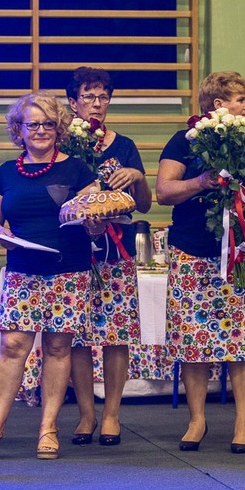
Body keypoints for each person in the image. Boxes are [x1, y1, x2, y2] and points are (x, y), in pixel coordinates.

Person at [0, 91, 101, 461]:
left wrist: (95, 224)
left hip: (68, 270)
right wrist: (0, 234)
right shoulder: (8, 172)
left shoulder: (77, 170)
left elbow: (96, 224)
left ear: (58, 128)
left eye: (47, 124)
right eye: (32, 124)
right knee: (12, 348)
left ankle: (48, 428)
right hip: (22, 271)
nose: (40, 130)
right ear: (19, 129)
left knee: (58, 349)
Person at [156, 71, 245, 453]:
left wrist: (243, 200)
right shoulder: (183, 141)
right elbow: (164, 191)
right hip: (191, 251)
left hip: (238, 250)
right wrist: (202, 182)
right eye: (240, 100)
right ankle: (197, 419)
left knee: (241, 338)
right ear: (218, 105)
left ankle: (243, 419)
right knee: (193, 340)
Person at [65, 67, 152, 446]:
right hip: (75, 250)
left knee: (117, 334)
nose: (97, 104)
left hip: (117, 248)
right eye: (89, 97)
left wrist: (136, 175)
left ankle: (112, 413)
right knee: (78, 336)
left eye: (103, 97)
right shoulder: (63, 143)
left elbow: (145, 205)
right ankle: (86, 414)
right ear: (73, 102)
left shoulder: (125, 146)